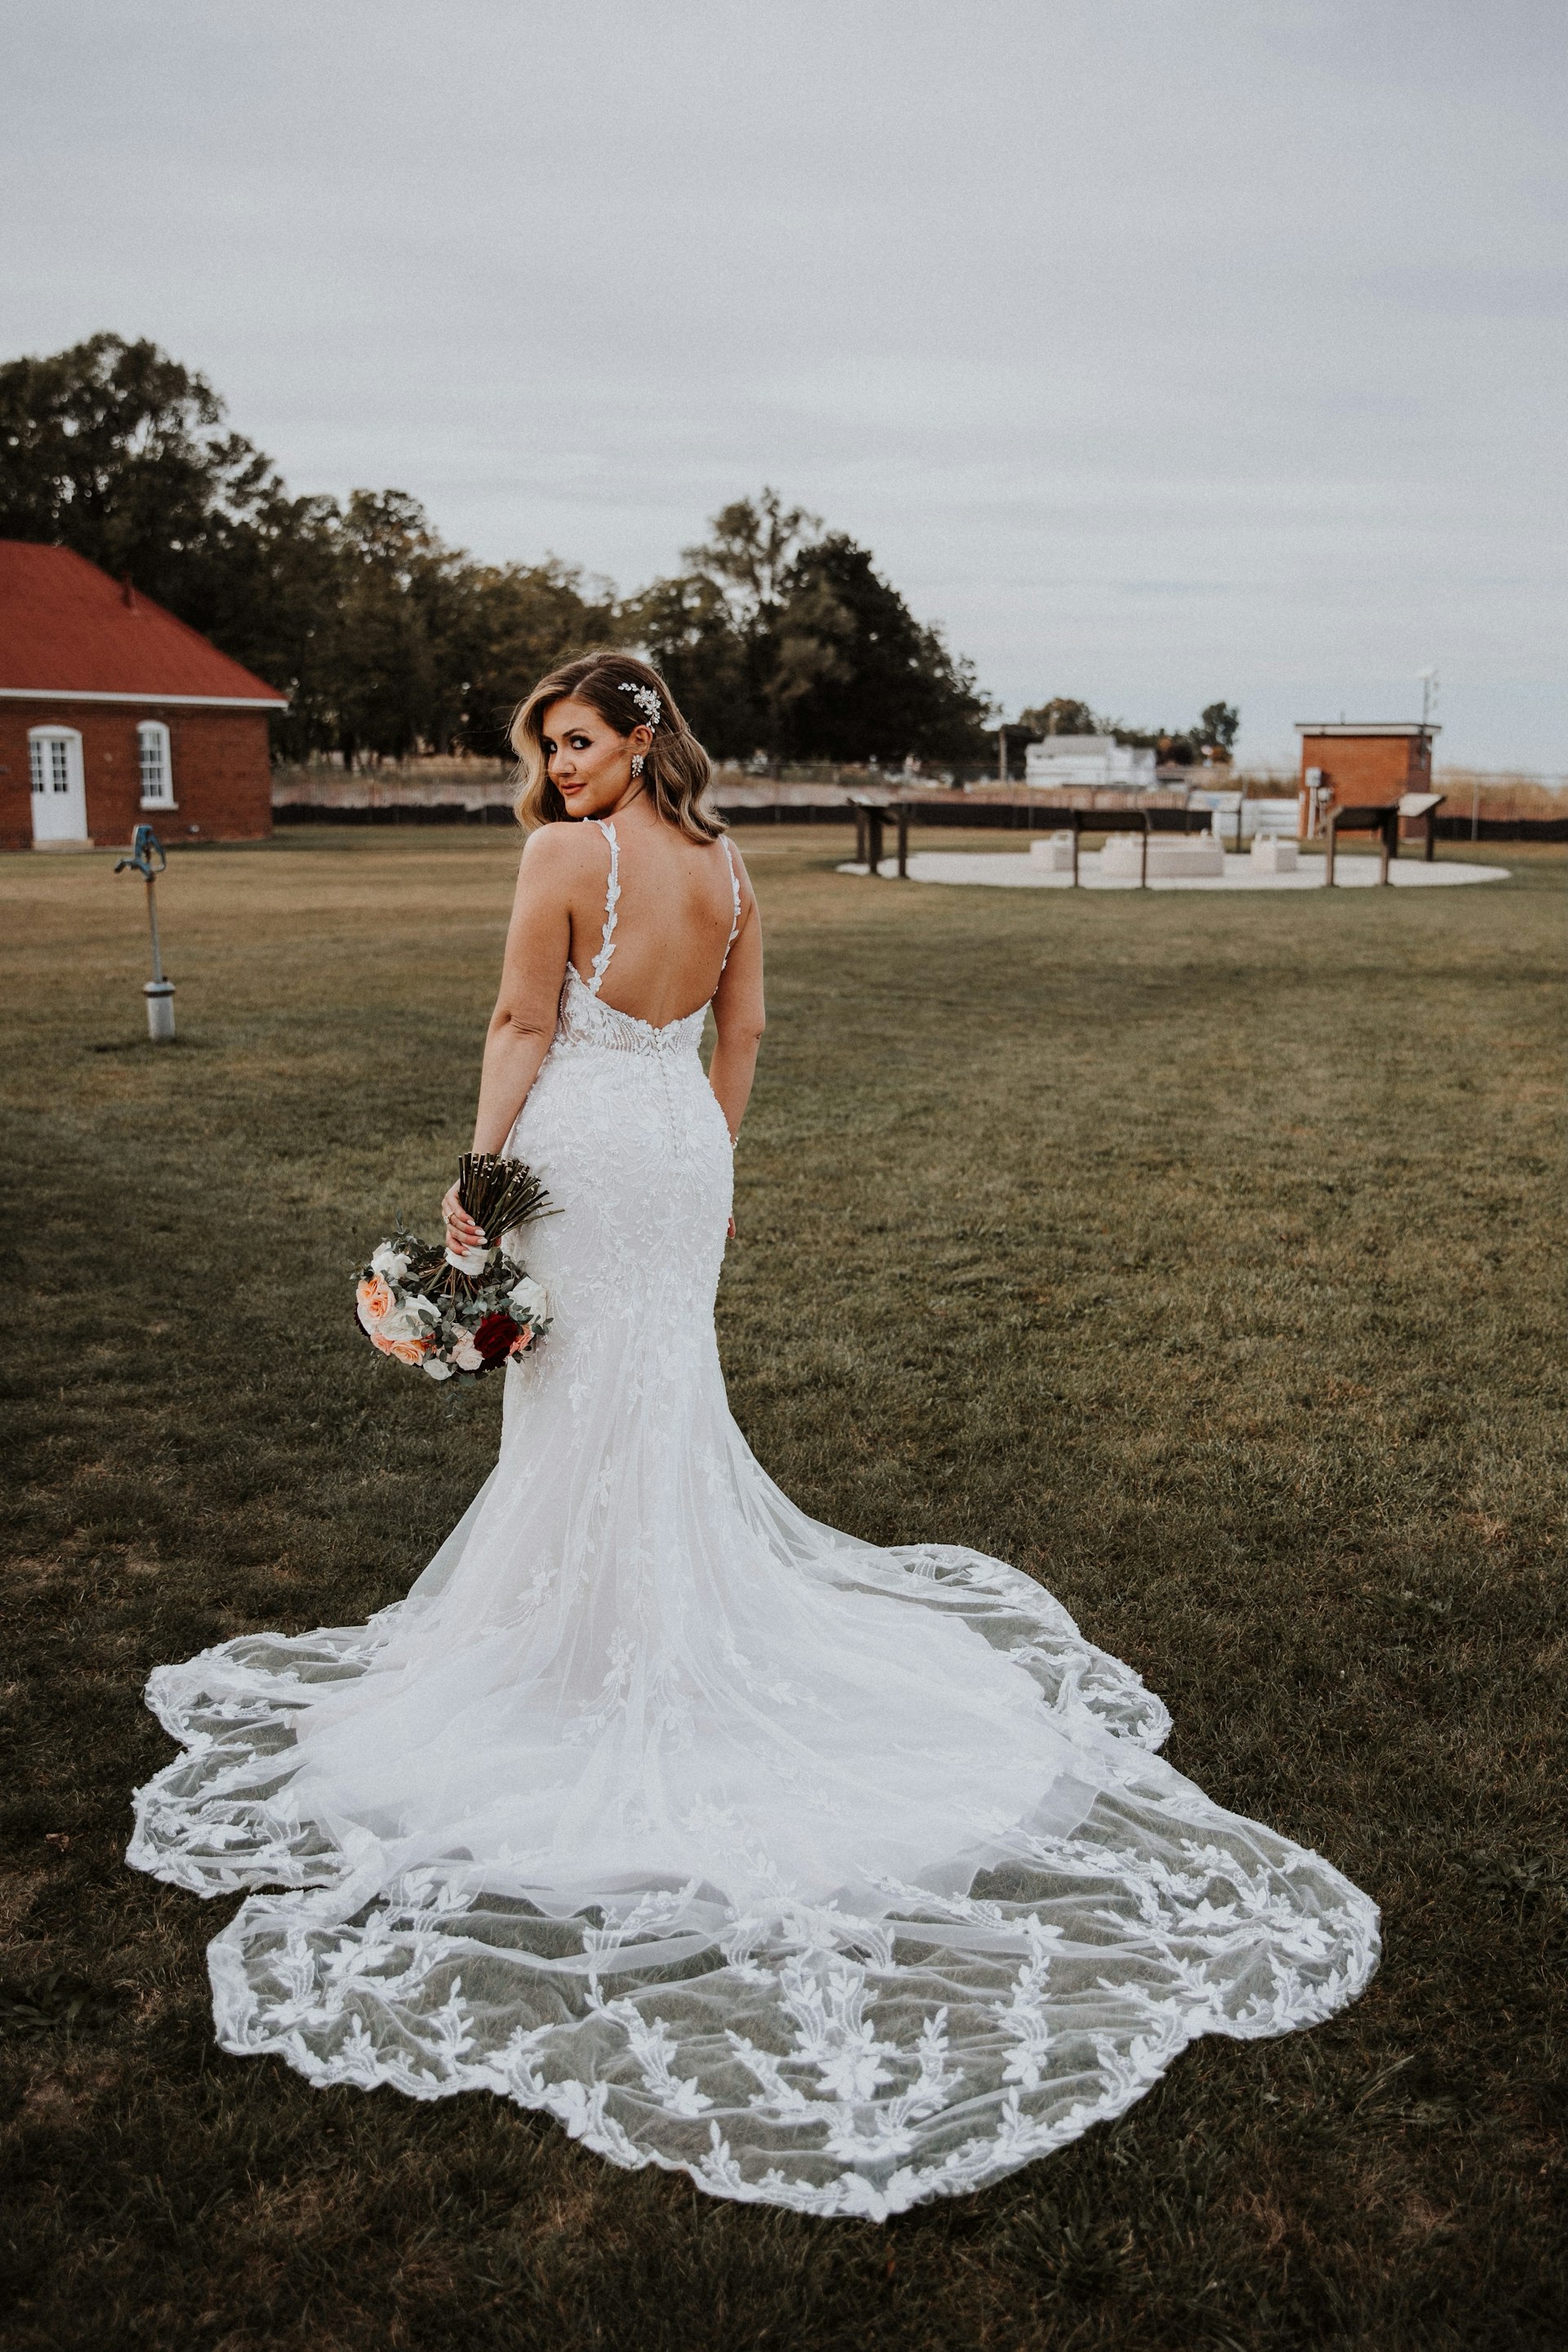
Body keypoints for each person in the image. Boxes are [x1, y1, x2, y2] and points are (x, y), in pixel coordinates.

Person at [130, 653, 1378, 2220]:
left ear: (639, 733)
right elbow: (748, 1034)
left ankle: (581, 1659)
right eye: (549, 755)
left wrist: (478, 1179)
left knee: (580, 1398)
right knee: (644, 1392)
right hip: (677, 1155)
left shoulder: (563, 857)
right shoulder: (726, 863)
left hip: (580, 1146)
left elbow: (523, 1013)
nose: (560, 773)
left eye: (577, 743)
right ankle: (619, 1629)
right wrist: (700, 1151)